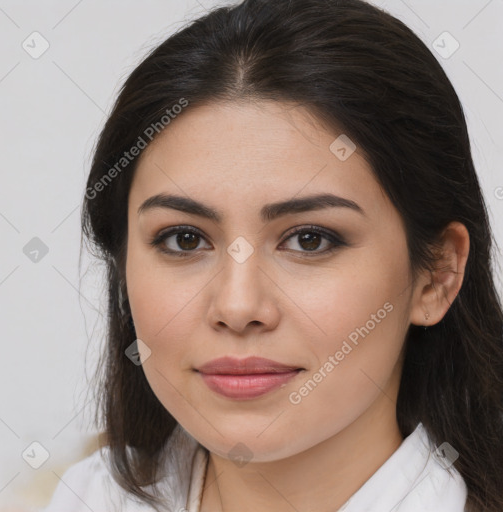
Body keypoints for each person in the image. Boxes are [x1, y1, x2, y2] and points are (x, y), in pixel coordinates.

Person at [42, 0, 503, 510]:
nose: (238, 308)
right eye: (184, 239)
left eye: (310, 239)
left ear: (437, 274)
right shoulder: (84, 496)